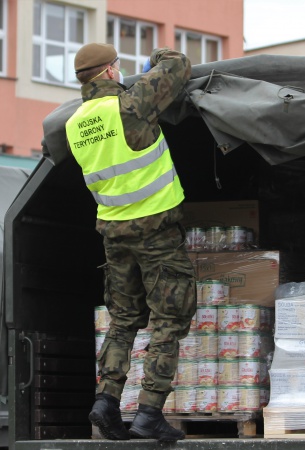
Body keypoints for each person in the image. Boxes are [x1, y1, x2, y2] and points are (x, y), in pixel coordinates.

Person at [65, 43, 197, 442]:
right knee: (169, 320)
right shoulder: (129, 105)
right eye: (117, 68)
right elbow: (179, 66)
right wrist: (156, 57)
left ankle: (105, 401)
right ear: (108, 72)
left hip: (114, 234)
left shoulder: (73, 124)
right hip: (156, 231)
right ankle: (149, 412)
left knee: (123, 321)